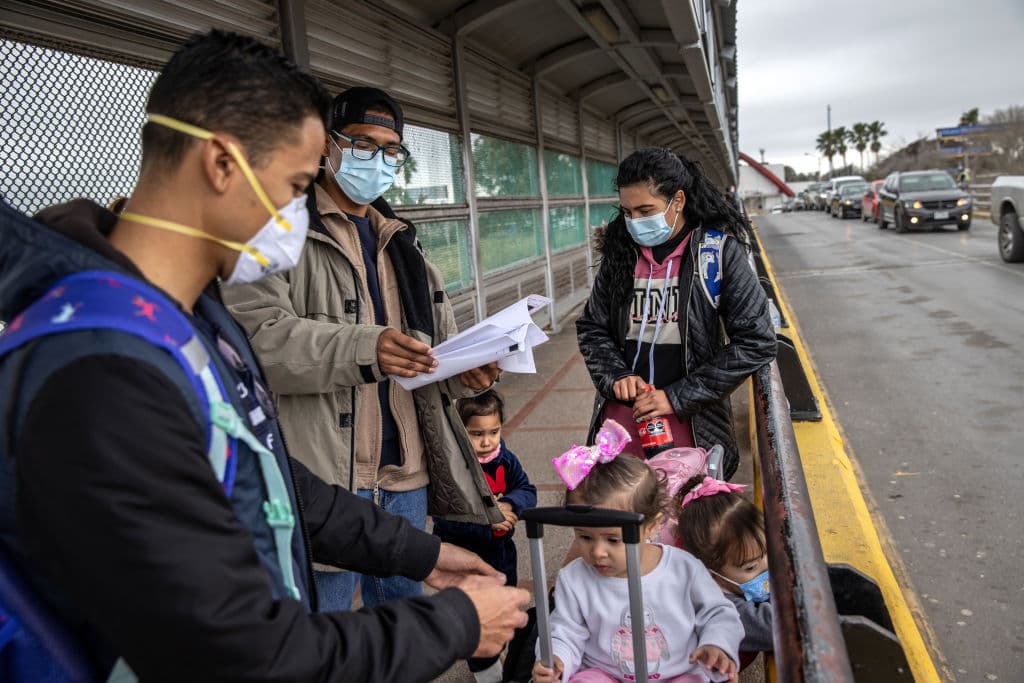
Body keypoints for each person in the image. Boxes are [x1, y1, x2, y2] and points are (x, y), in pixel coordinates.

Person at [0, 30, 528, 682]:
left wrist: (419, 554)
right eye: (298, 184)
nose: (299, 213)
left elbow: (272, 472)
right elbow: (242, 655)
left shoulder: (188, 317)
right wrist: (457, 622)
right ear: (223, 163)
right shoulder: (103, 371)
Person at [224, 85, 503, 611]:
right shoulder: (277, 234)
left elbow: (433, 347)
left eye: (390, 148)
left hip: (406, 475)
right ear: (326, 146)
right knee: (320, 621)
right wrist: (366, 346)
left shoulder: (403, 242)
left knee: (404, 625)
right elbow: (255, 341)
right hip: (325, 481)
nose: (377, 159)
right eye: (361, 142)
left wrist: (470, 369)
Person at [575, 147, 776, 479]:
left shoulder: (718, 254)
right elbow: (592, 327)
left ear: (678, 201)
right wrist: (616, 377)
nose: (634, 222)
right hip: (623, 423)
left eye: (646, 210)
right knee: (621, 522)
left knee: (682, 522)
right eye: (627, 212)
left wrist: (676, 397)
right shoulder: (621, 254)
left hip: (691, 425)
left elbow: (757, 341)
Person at [534, 421, 742, 683]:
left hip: (678, 672)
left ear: (652, 525)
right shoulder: (574, 578)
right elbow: (564, 630)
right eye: (584, 536)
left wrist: (718, 645)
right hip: (605, 673)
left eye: (613, 539)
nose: (598, 552)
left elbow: (718, 612)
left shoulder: (684, 568)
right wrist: (558, 659)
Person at [433, 390, 538, 682]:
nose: (486, 441)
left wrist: (512, 504)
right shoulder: (454, 468)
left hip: (502, 556)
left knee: (504, 609)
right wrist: (489, 522)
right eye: (476, 433)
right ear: (459, 430)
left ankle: (497, 652)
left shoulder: (504, 459)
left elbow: (528, 490)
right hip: (463, 561)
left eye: (494, 431)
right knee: (476, 620)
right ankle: (487, 672)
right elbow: (445, 518)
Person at [675, 475, 774, 658]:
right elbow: (773, 627)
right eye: (751, 567)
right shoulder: (717, 606)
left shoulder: (735, 574)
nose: (767, 568)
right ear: (710, 573)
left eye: (768, 553)